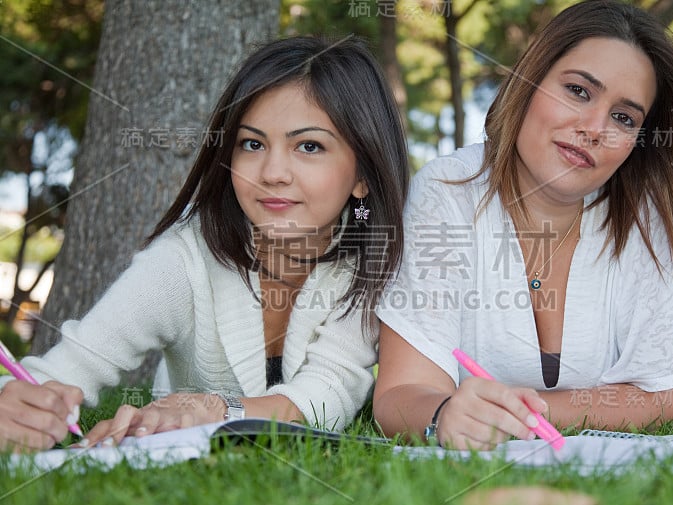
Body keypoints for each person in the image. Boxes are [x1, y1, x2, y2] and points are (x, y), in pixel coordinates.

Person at [0, 36, 409, 452]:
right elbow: (68, 367)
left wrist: (213, 409)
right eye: (252, 143)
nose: (272, 172)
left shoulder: (371, 260)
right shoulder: (184, 259)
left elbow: (328, 395)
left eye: (309, 146)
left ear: (362, 174)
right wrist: (17, 404)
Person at [373, 0, 673, 450]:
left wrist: (523, 410)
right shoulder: (447, 192)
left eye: (624, 118)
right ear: (530, 78)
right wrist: (444, 415)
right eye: (578, 91)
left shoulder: (647, 215)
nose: (594, 127)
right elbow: (401, 393)